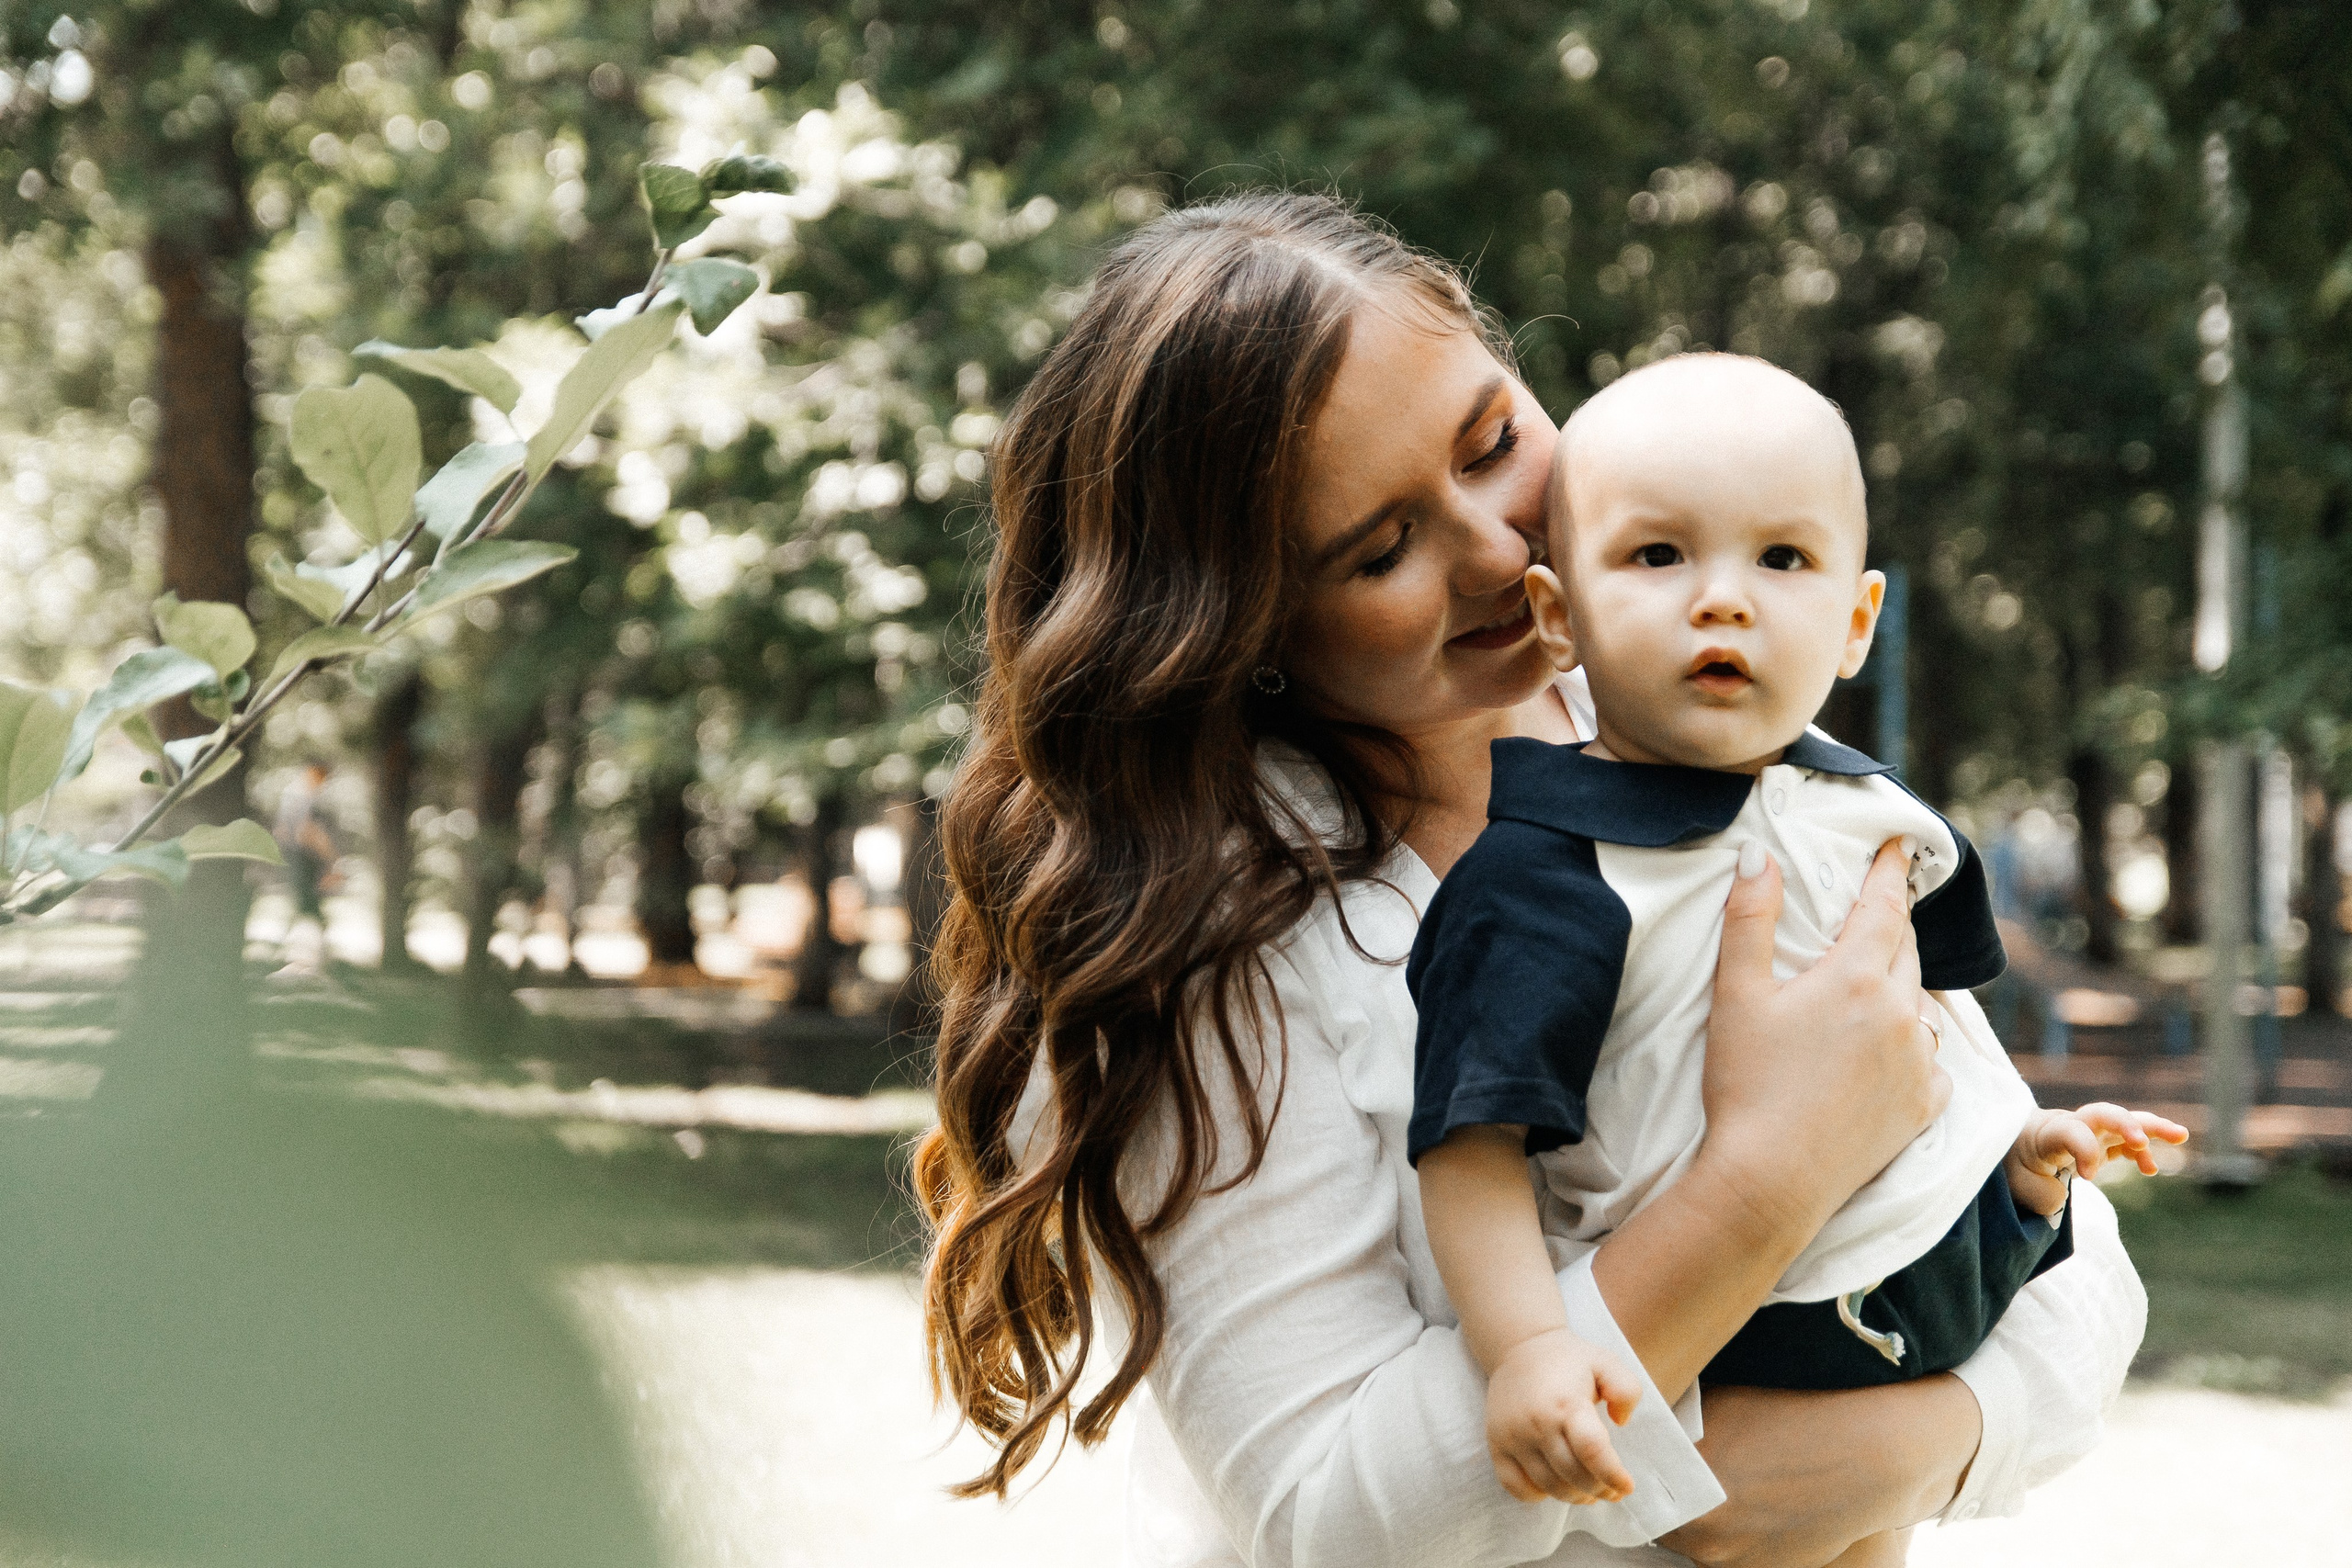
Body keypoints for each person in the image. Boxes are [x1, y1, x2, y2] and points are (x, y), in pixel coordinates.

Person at [917, 190, 2150, 1568]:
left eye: (1495, 441)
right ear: (1244, 624)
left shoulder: (1711, 738)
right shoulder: (1208, 944)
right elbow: (1329, 1518)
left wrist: (1913, 1448)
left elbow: (2071, 1257)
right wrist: (1762, 1186)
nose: (1503, 550)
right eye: (1381, 549)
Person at [1405, 354, 2186, 1566]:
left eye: (1782, 559)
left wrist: (2019, 1157)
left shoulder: (1877, 818)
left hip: (1929, 1283)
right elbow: (1470, 1146)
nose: (1725, 599)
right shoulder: (1545, 877)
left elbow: (1930, 1051)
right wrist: (1529, 1352)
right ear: (1560, 618)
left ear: (1856, 621)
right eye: (1659, 557)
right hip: (1733, 1327)